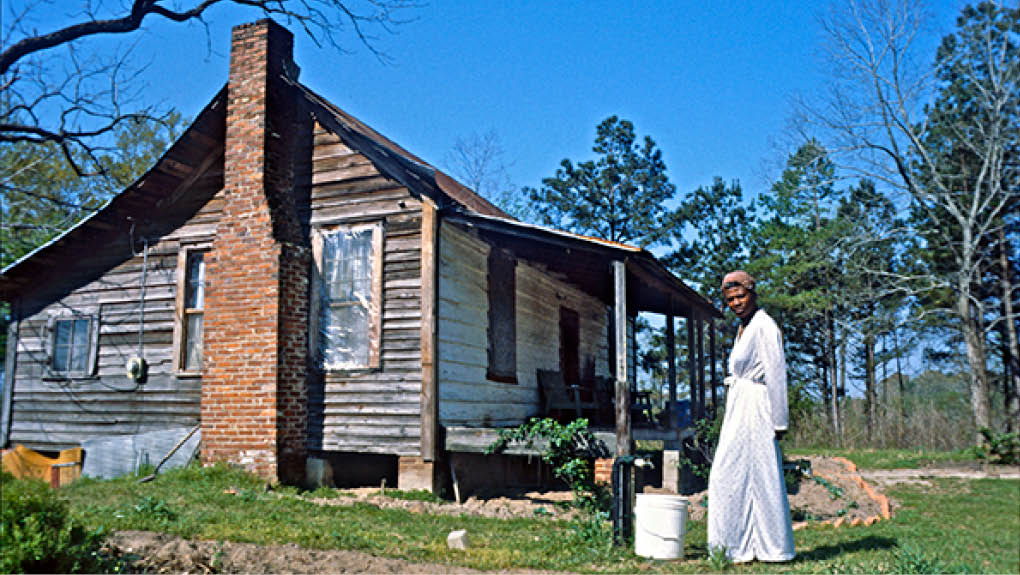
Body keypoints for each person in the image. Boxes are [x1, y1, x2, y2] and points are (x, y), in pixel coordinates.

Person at [706, 270, 795, 563]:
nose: (736, 303)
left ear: (753, 293)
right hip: (739, 406)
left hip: (757, 406)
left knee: (762, 475)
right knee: (730, 475)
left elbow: (776, 375)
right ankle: (735, 546)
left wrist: (778, 421)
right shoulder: (744, 328)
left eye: (741, 296)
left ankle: (773, 547)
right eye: (730, 299)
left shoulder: (764, 326)